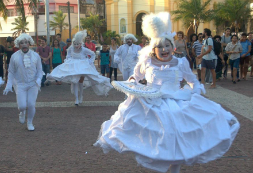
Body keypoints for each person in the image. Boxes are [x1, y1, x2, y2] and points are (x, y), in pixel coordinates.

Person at [94, 12, 240, 173]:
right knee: (160, 140)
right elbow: (135, 77)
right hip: (153, 103)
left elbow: (192, 81)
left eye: (167, 45)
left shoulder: (181, 62)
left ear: (173, 46)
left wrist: (195, 93)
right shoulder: (146, 61)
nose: (164, 49)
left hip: (176, 101)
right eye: (160, 46)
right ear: (154, 49)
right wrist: (131, 84)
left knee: (178, 139)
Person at [47, 30, 112, 105]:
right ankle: (76, 98)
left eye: (78, 44)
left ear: (81, 44)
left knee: (80, 81)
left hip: (82, 67)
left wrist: (89, 62)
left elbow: (92, 54)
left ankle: (80, 96)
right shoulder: (71, 48)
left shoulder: (84, 49)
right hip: (73, 67)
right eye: (75, 44)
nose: (76, 45)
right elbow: (68, 55)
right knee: (74, 81)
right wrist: (68, 61)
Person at [3, 33, 43, 131]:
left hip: (33, 84)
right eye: (21, 43)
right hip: (20, 84)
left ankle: (29, 122)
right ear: (18, 45)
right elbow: (11, 72)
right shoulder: (14, 56)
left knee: (31, 104)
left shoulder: (36, 56)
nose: (24, 44)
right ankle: (22, 112)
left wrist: (38, 80)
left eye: (26, 42)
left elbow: (40, 71)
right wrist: (8, 85)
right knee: (22, 106)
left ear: (29, 43)